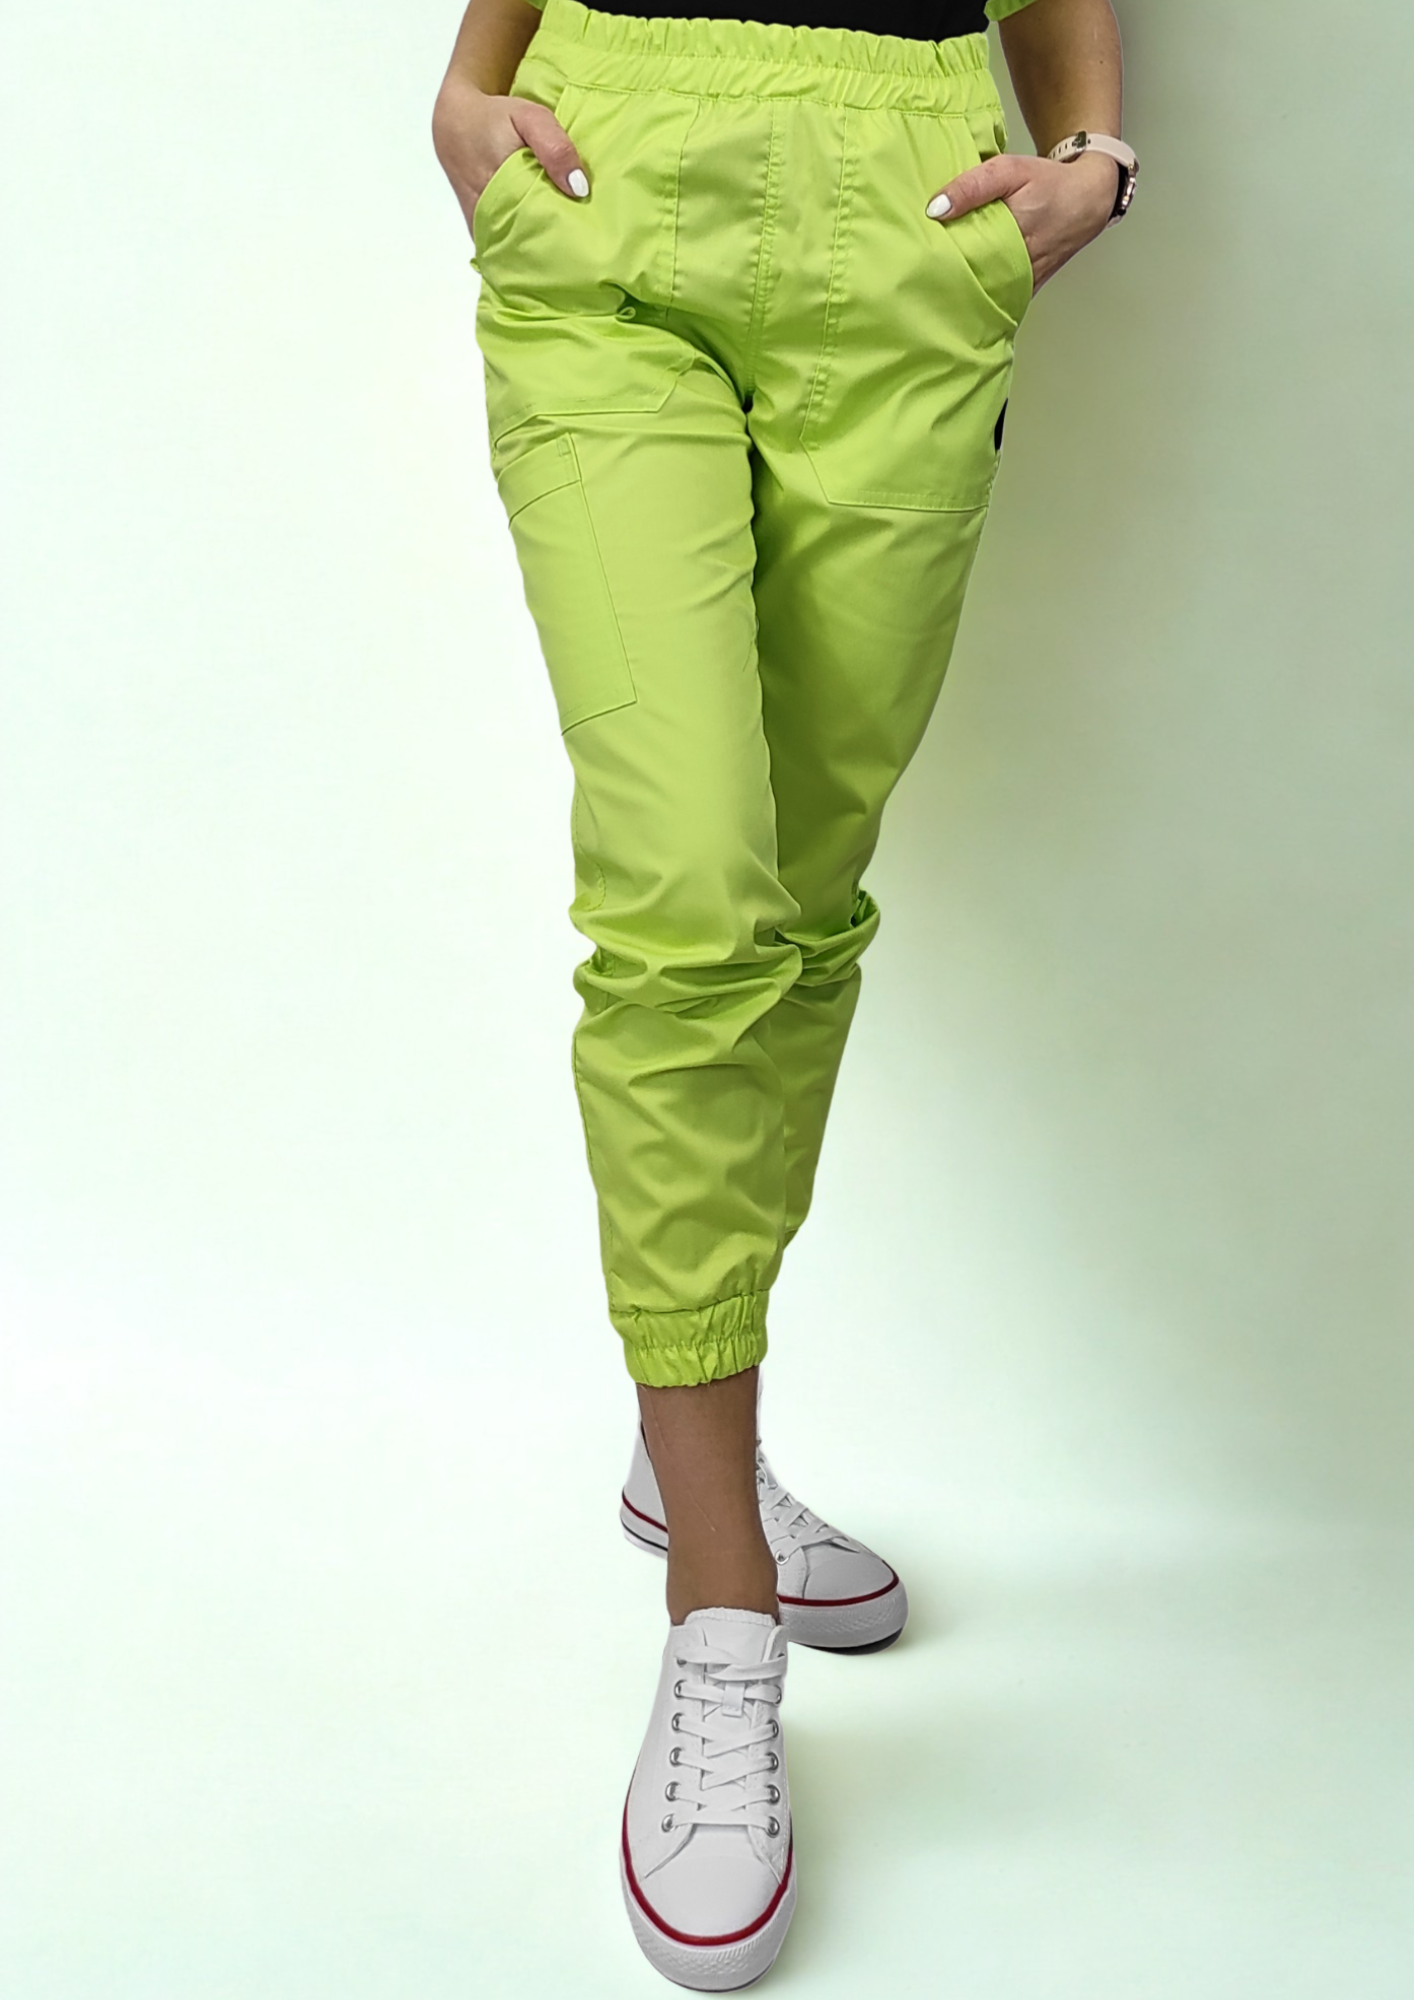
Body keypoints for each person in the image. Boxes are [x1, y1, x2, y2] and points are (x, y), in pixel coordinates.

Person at [433, 0, 1134, 1982]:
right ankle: (720, 1610)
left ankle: (687, 1451)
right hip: (611, 168)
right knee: (685, 903)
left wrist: (1092, 155)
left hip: (906, 201)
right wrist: (468, 88)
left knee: (802, 907)